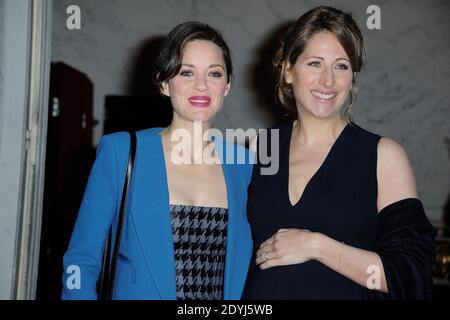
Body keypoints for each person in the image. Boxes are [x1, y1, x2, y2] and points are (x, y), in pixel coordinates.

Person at [243, 6, 435, 299]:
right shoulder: (262, 147)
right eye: (315, 64)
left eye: (341, 66)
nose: (328, 81)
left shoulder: (383, 155)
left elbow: (410, 276)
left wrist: (317, 246)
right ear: (288, 70)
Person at [62, 21, 253, 300]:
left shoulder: (244, 165)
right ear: (164, 84)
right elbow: (81, 259)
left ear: (227, 86)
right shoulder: (122, 152)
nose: (201, 85)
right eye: (186, 72)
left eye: (214, 74)